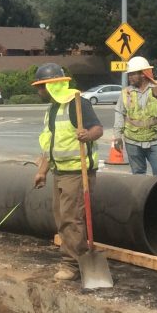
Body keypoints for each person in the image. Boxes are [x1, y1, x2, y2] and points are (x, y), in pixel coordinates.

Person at [30, 63, 104, 281]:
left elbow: (98, 129)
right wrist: (42, 171)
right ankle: (76, 258)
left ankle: (72, 264)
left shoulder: (78, 104)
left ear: (52, 86)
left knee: (71, 218)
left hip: (77, 171)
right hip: (59, 172)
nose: (39, 91)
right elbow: (49, 145)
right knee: (61, 217)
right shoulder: (52, 110)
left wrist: (87, 135)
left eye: (41, 87)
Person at [113, 56, 157, 175]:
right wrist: (117, 136)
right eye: (129, 74)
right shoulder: (126, 93)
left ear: (143, 74)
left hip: (155, 140)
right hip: (133, 142)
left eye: (133, 74)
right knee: (138, 176)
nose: (130, 77)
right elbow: (119, 113)